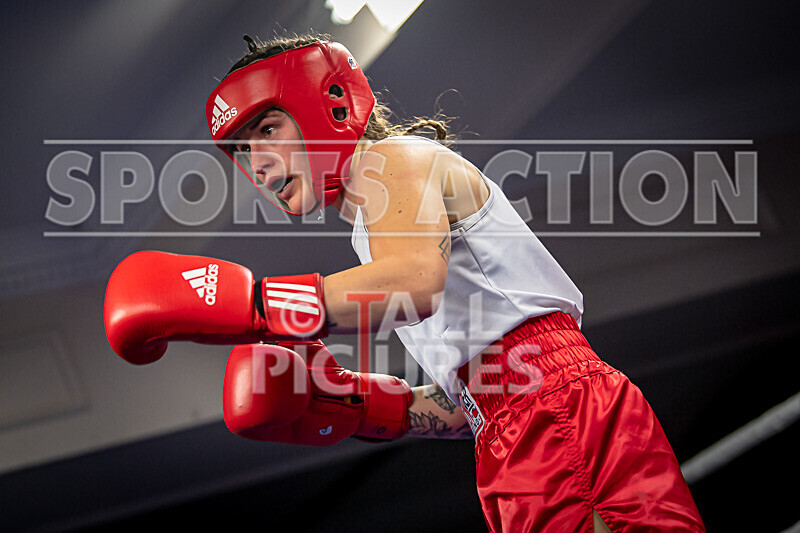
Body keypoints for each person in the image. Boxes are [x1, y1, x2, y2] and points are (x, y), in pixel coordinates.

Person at [104, 34, 705, 532]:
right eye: (240, 148)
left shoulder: (395, 161)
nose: (256, 163)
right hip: (508, 427)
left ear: (328, 104)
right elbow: (467, 401)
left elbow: (416, 282)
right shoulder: (371, 234)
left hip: (557, 411)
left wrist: (258, 305)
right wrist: (355, 405)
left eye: (266, 129)